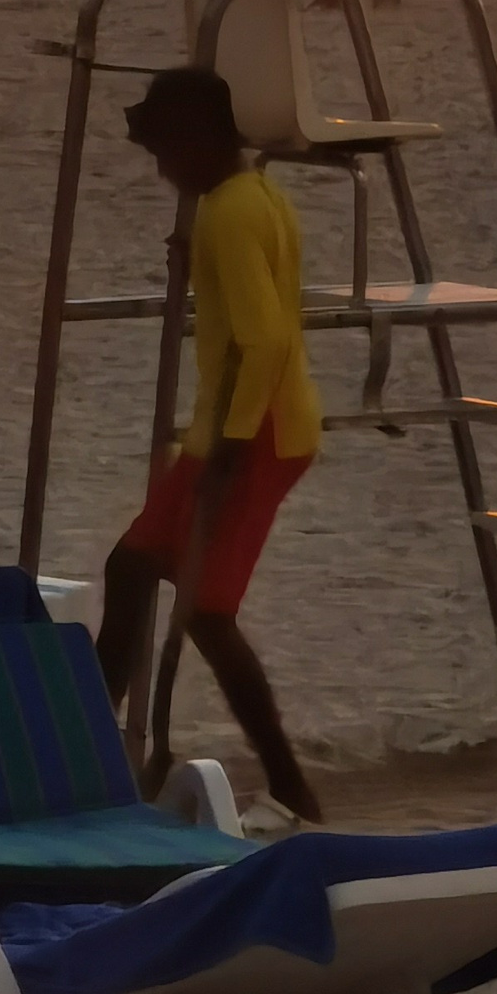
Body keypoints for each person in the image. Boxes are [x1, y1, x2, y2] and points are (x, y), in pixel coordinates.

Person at [95, 71, 322, 824]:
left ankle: (292, 784)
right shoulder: (254, 197)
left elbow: (262, 341)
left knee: (208, 612)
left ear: (194, 145)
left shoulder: (228, 215)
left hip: (250, 432)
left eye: (164, 151)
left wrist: (227, 451)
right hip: (226, 426)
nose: (160, 168)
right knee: (129, 567)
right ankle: (87, 750)